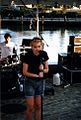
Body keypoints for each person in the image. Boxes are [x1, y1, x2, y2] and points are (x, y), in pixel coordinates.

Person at [23, 37, 49, 120]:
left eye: (39, 46)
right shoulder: (27, 55)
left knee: (38, 106)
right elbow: (24, 72)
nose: (37, 49)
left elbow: (47, 69)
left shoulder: (44, 54)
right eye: (34, 47)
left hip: (40, 83)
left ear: (41, 46)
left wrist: (42, 70)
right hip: (29, 82)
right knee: (30, 108)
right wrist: (37, 75)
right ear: (31, 47)